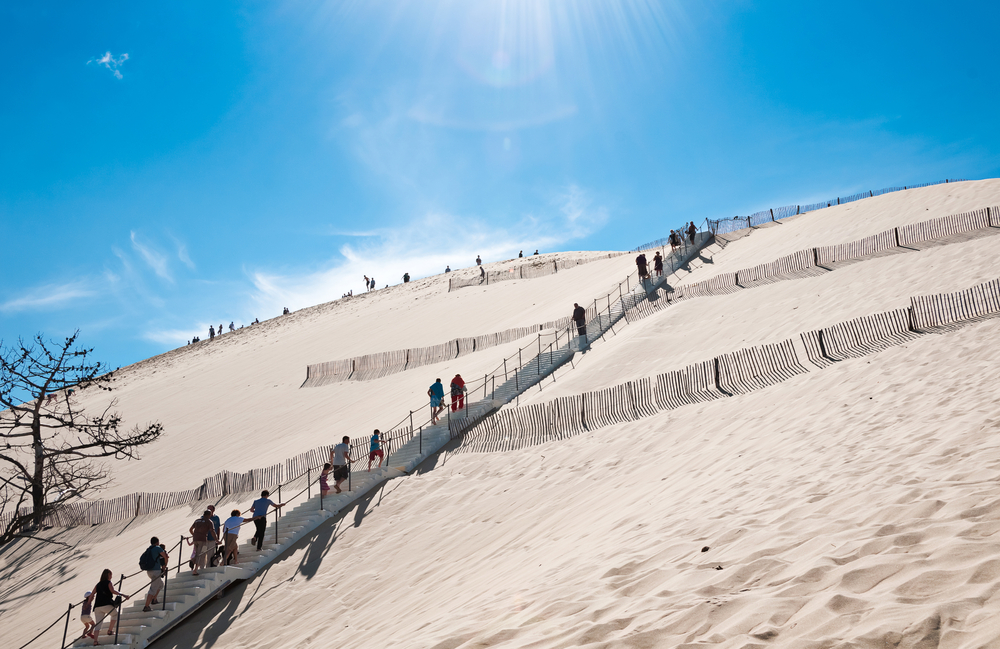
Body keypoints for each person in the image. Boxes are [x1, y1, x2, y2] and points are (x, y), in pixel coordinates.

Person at [90, 569, 129, 641]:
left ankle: (95, 641)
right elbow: (113, 591)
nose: (111, 576)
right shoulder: (109, 582)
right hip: (106, 604)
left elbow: (92, 594)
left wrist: (88, 604)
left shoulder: (98, 584)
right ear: (108, 575)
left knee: (98, 625)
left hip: (97, 607)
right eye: (110, 575)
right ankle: (110, 631)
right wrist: (123, 595)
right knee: (115, 615)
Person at [140, 536, 169, 611]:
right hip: (156, 571)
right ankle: (146, 606)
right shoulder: (158, 548)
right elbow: (165, 556)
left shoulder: (149, 549)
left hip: (149, 571)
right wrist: (165, 566)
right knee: (153, 589)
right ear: (157, 542)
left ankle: (154, 599)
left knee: (160, 585)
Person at [189, 510, 219, 576]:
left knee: (197, 553)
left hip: (195, 539)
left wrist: (194, 535)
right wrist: (217, 540)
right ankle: (195, 570)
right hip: (202, 539)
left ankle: (193, 562)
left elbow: (190, 529)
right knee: (201, 554)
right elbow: (212, 531)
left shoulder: (197, 520)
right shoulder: (209, 521)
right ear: (210, 515)